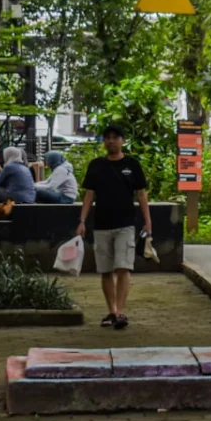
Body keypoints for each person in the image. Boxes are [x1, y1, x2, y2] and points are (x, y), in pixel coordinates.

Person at [77, 125, 153, 329]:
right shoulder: (96, 165)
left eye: (115, 137)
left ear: (122, 140)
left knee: (123, 267)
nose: (111, 141)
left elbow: (141, 194)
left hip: (126, 225)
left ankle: (120, 311)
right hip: (101, 224)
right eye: (107, 138)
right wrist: (82, 221)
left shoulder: (132, 165)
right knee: (105, 270)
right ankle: (111, 310)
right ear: (104, 141)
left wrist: (148, 221)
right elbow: (89, 195)